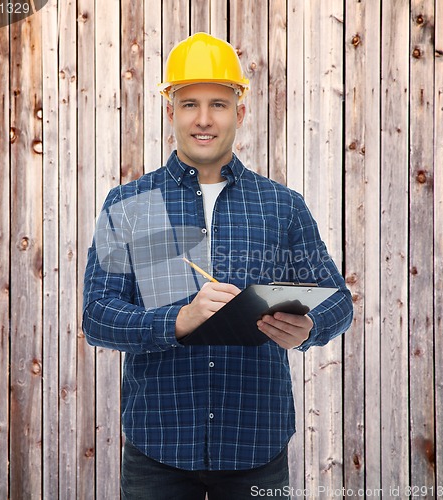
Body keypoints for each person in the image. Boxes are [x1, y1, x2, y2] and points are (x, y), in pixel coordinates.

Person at [82, 32, 353, 500]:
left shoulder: (282, 206)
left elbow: (337, 300)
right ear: (170, 111)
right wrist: (179, 319)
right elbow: (98, 315)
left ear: (240, 112)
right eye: (189, 104)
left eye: (218, 104)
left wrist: (308, 328)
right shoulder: (128, 204)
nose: (203, 119)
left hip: (256, 447)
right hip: (158, 447)